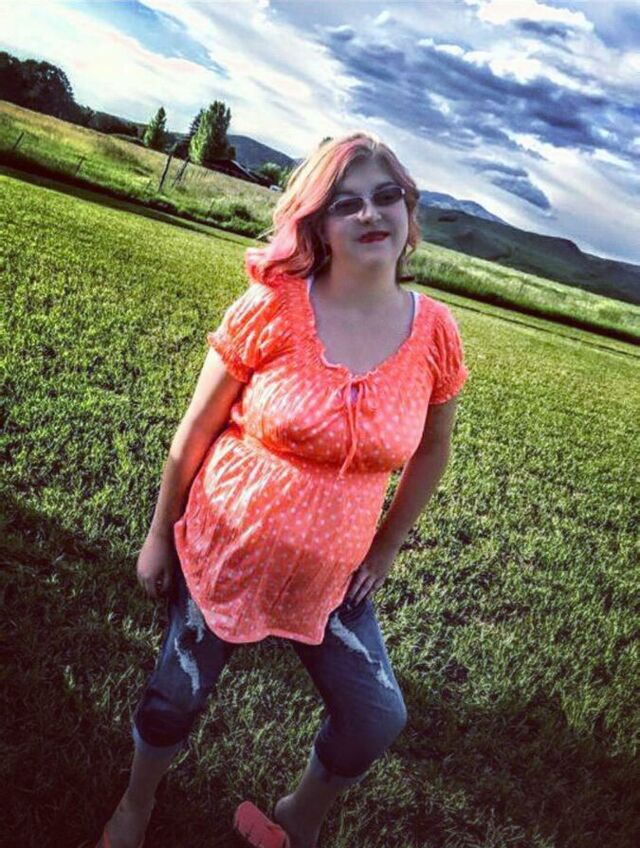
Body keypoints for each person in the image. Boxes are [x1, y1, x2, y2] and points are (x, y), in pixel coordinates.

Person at [96, 130, 469, 848]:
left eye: (386, 195)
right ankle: (135, 806)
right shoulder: (272, 305)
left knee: (375, 717)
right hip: (225, 551)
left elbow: (432, 448)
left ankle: (297, 818)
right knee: (177, 696)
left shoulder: (435, 332)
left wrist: (386, 548)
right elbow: (195, 429)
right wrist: (157, 536)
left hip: (332, 578)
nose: (370, 214)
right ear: (317, 224)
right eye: (346, 203)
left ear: (409, 209)